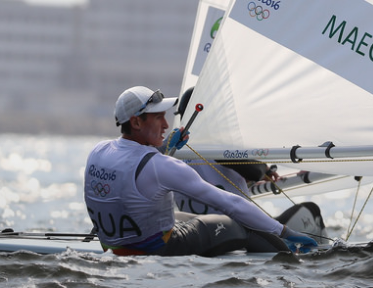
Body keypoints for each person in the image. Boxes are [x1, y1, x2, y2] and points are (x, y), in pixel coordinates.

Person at [83, 85, 318, 257]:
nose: (166, 125)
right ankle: (293, 261)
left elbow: (134, 183)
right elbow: (232, 204)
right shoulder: (161, 165)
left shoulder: (98, 151)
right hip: (161, 249)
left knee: (193, 218)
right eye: (158, 118)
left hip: (115, 247)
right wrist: (284, 231)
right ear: (136, 123)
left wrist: (168, 148)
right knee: (241, 223)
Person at [171, 87, 327, 239]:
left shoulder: (172, 154)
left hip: (201, 235)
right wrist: (264, 169)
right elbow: (253, 171)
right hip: (240, 233)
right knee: (311, 210)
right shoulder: (216, 144)